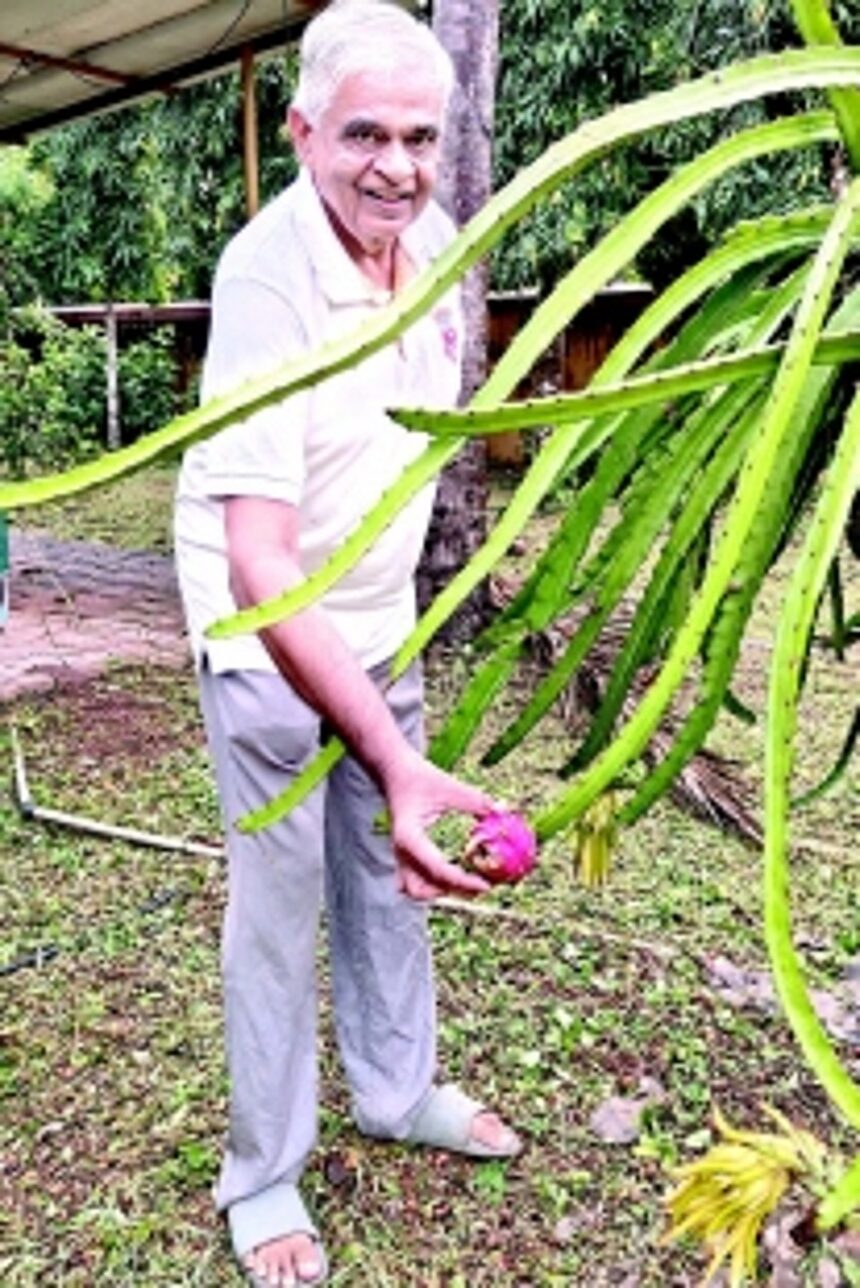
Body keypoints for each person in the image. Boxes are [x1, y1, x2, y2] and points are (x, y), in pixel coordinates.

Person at [174, 2, 520, 1283]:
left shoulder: (425, 241)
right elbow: (264, 559)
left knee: (385, 879)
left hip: (376, 621)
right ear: (304, 130)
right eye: (364, 133)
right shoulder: (268, 278)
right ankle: (261, 1177)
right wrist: (390, 748)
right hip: (264, 639)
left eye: (420, 137)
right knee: (280, 907)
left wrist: (394, 708)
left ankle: (397, 1089)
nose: (396, 164)